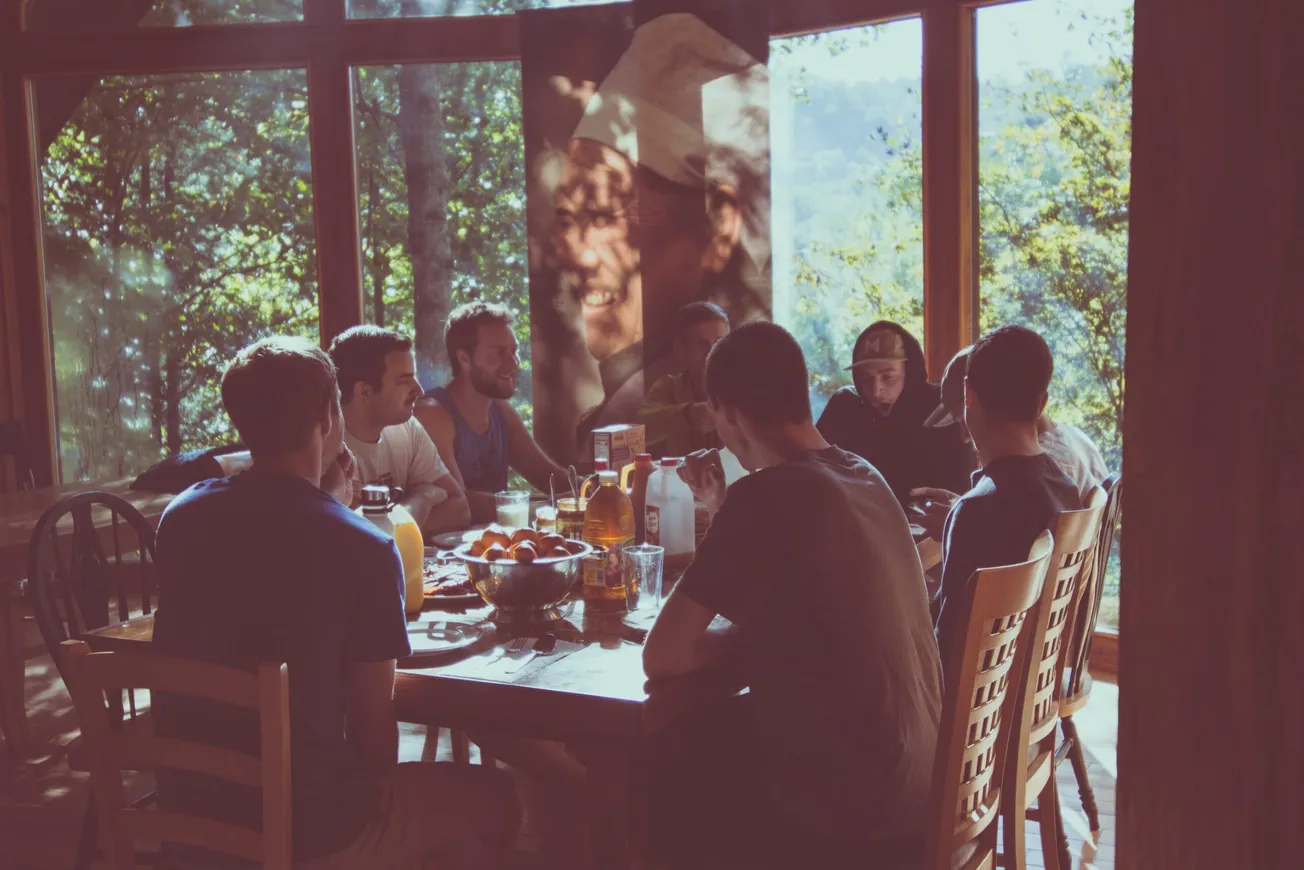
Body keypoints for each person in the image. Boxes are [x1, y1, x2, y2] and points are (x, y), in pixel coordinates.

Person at [152, 336, 518, 868]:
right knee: (497, 801)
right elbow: (374, 732)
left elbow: (266, 551)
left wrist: (327, 500)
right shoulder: (363, 546)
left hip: (194, 813)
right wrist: (333, 511)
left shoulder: (181, 518)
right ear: (329, 415)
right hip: (311, 831)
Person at [642, 322, 942, 868]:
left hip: (856, 816)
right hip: (923, 790)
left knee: (658, 765)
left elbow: (664, 656)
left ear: (725, 410)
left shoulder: (765, 495)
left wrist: (749, 642)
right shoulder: (863, 473)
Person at [547, 12, 772, 455]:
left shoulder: (748, 400)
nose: (582, 258)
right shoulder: (641, 399)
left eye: (606, 217)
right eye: (568, 222)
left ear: (717, 226)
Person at [931, 326, 1083, 666]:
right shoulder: (1065, 489)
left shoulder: (976, 511)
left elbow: (946, 652)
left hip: (969, 716)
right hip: (1024, 703)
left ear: (967, 395)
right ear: (1042, 402)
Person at [912, 344, 1109, 539]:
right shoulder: (1073, 439)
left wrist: (959, 521)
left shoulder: (1049, 470)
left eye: (965, 419)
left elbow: (1023, 545)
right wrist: (961, 511)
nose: (965, 437)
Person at [416, 302, 571, 524]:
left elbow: (548, 475)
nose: (514, 362)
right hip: (443, 555)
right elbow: (460, 502)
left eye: (514, 351)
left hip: (496, 549)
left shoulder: (500, 410)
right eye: (498, 353)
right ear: (464, 359)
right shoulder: (432, 414)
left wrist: (591, 488)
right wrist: (546, 508)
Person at [328, 325, 471, 535]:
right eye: (404, 381)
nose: (419, 390)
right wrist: (423, 498)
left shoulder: (407, 427)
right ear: (364, 391)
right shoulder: (325, 444)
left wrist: (390, 527)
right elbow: (352, 539)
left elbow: (459, 510)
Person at [816, 320, 974, 505]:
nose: (876, 391)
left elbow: (960, 493)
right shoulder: (846, 409)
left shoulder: (943, 408)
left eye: (888, 376)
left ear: (909, 371)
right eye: (865, 379)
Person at [636, 301, 730, 457]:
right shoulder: (670, 386)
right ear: (680, 349)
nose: (712, 351)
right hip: (685, 479)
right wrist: (688, 415)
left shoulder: (745, 385)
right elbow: (640, 432)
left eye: (719, 342)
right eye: (700, 344)